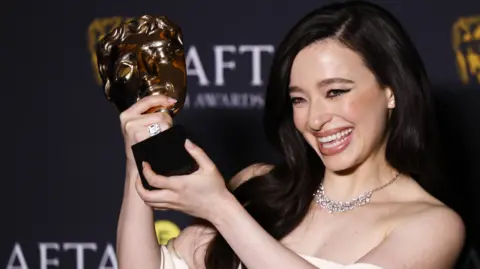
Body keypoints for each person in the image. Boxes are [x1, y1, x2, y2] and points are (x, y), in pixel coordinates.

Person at [114, 1, 465, 268]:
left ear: (391, 91)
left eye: (336, 92)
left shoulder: (432, 225)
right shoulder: (258, 187)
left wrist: (220, 208)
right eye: (299, 99)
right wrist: (137, 157)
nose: (314, 119)